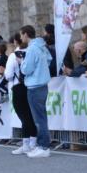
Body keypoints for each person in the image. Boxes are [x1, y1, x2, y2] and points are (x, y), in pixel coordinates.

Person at [19, 24, 52, 159]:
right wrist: (41, 70)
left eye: (21, 34)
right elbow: (49, 60)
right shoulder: (42, 46)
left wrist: (22, 61)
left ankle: (43, 146)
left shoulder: (32, 49)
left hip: (35, 86)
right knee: (41, 117)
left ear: (26, 34)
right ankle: (42, 145)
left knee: (39, 119)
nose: (21, 37)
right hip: (43, 84)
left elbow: (26, 70)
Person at [5, 33, 37, 154]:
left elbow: (8, 75)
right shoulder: (32, 53)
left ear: (15, 42)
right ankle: (33, 143)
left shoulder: (13, 56)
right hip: (30, 85)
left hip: (18, 87)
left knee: (23, 116)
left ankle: (26, 144)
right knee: (30, 114)